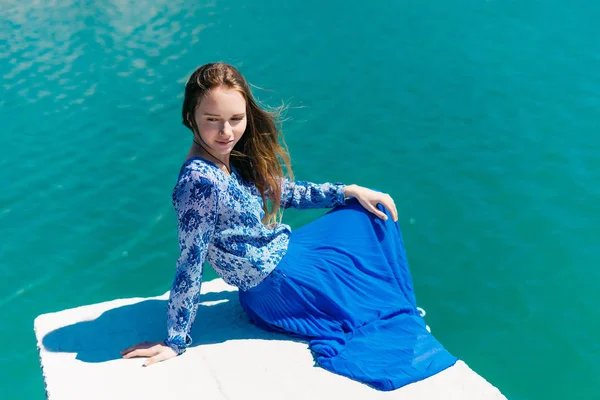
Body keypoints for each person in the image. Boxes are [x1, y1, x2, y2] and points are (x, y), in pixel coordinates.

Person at [121, 62, 457, 390]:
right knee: (363, 270)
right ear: (189, 117)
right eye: (212, 120)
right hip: (279, 288)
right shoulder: (199, 182)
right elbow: (190, 262)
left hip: (282, 257)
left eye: (236, 119)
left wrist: (346, 190)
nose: (226, 132)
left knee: (364, 210)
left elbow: (284, 191)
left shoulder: (227, 156)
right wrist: (175, 340)